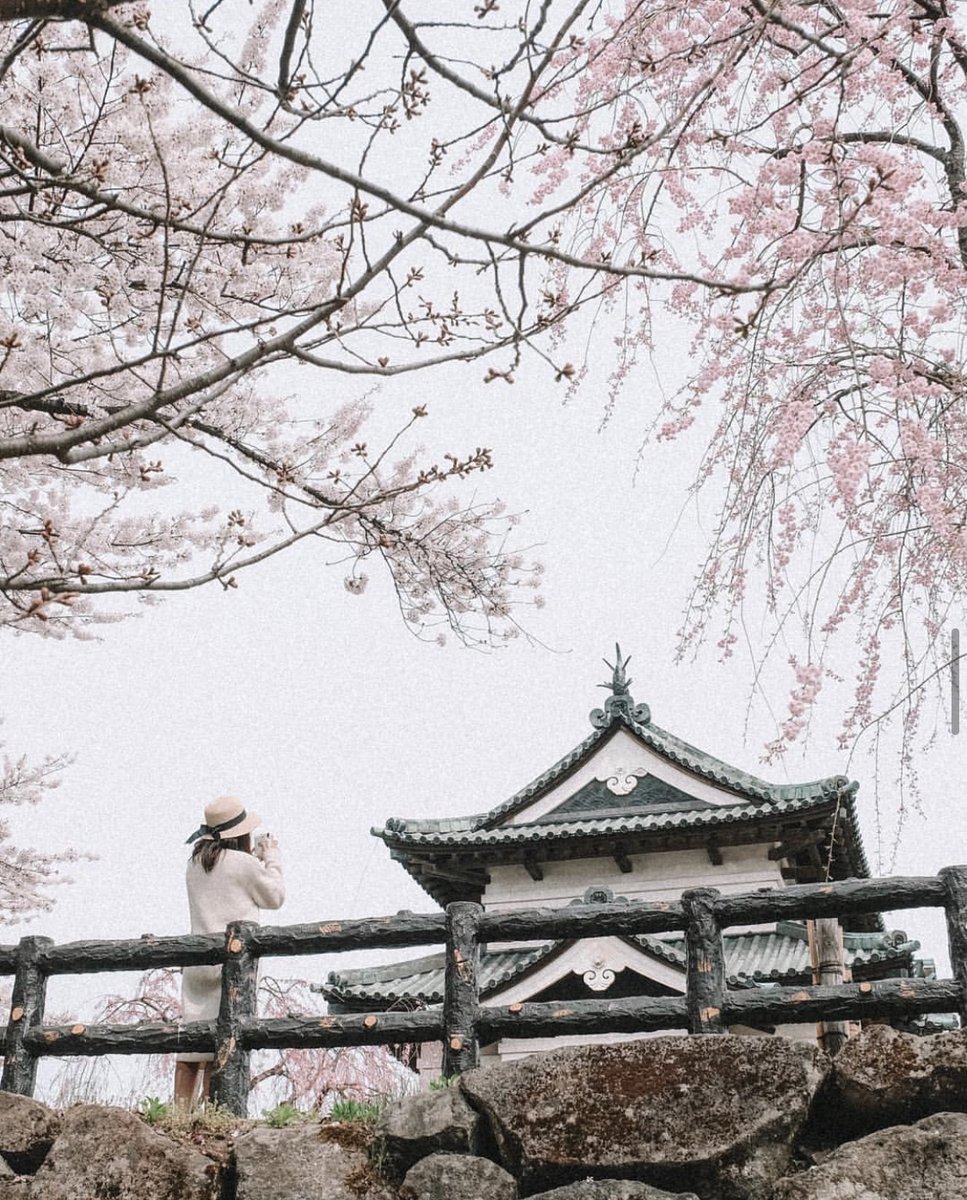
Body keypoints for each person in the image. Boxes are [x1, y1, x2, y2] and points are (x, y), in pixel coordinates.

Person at [174, 795, 285, 1108]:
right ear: (241, 833)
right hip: (233, 964)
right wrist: (271, 857)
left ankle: (178, 1112)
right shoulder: (244, 864)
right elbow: (274, 896)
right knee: (221, 1040)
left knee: (191, 1039)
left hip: (198, 961)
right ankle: (210, 1111)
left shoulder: (194, 864)